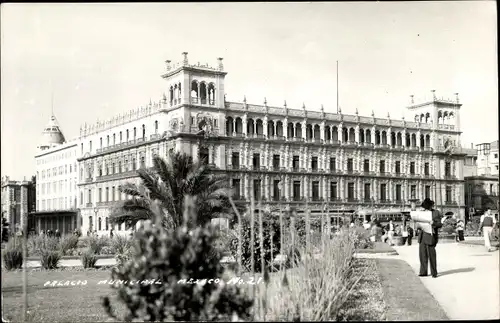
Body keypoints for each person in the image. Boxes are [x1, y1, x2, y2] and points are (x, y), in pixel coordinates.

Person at [418, 198, 442, 278]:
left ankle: (434, 272)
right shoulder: (422, 213)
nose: (425, 209)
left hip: (431, 236)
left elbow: (440, 224)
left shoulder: (436, 213)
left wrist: (433, 223)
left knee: (432, 256)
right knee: (422, 255)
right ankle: (423, 272)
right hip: (422, 236)